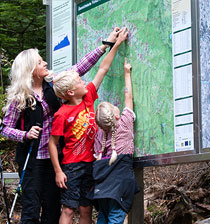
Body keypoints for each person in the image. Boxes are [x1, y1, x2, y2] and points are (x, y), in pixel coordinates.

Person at [0, 27, 120, 224]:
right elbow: (5, 128)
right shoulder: (19, 97)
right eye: (40, 62)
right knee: (30, 208)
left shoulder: (53, 85)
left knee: (52, 208)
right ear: (30, 69)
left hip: (56, 159)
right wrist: (24, 134)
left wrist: (106, 44)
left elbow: (81, 67)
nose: (45, 62)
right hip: (32, 160)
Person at [48, 27, 128, 224]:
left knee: (86, 208)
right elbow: (52, 143)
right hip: (71, 167)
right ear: (69, 93)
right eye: (78, 81)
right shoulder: (61, 114)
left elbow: (103, 69)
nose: (84, 81)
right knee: (68, 208)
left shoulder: (88, 97)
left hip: (90, 163)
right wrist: (58, 171)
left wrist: (115, 45)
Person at [90, 58, 138, 224]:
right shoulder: (124, 124)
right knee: (115, 220)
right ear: (116, 116)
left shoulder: (99, 135)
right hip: (119, 189)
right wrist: (127, 72)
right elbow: (128, 96)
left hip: (102, 190)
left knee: (103, 218)